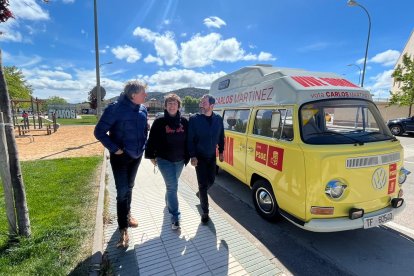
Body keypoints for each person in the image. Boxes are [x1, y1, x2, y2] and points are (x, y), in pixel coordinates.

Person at [94, 80, 148, 248]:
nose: (146, 95)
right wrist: (115, 148)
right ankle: (123, 227)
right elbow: (99, 132)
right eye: (143, 93)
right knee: (122, 192)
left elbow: (145, 130)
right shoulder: (114, 109)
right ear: (133, 95)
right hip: (121, 157)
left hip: (136, 156)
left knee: (129, 188)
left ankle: (127, 214)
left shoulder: (143, 109)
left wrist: (144, 147)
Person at [145, 93, 189, 230]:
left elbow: (190, 140)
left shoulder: (185, 122)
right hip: (164, 160)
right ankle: (175, 217)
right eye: (169, 103)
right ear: (165, 106)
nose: (172, 105)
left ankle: (169, 201)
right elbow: (151, 140)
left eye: (174, 103)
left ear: (179, 106)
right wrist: (151, 156)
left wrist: (192, 155)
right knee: (173, 187)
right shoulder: (159, 122)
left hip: (180, 160)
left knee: (172, 186)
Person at [188, 94, 224, 224]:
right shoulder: (194, 119)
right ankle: (205, 211)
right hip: (199, 156)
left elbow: (221, 135)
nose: (201, 104)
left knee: (212, 180)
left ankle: (201, 194)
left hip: (211, 156)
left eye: (204, 102)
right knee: (203, 184)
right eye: (201, 101)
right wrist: (192, 156)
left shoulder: (218, 119)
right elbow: (190, 139)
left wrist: (221, 151)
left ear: (212, 105)